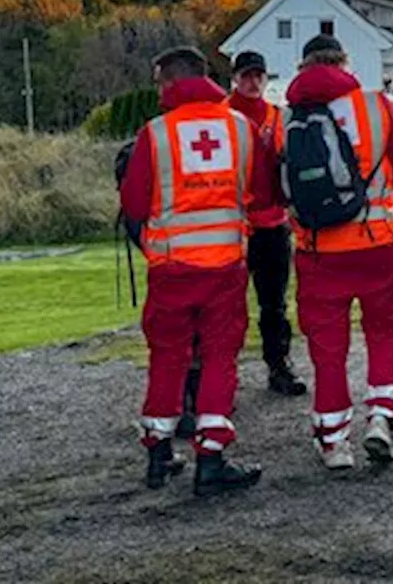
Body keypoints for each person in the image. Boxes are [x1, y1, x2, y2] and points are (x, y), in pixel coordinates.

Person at [119, 45, 270, 497]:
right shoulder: (242, 128)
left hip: (170, 267)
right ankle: (212, 456)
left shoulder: (156, 133)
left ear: (169, 81)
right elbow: (262, 194)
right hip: (224, 264)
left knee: (168, 357)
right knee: (220, 359)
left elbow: (133, 203)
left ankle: (158, 452)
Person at [282, 34, 393, 470]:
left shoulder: (289, 117)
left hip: (319, 249)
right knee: (385, 332)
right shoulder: (377, 106)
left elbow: (272, 186)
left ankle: (334, 441)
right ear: (344, 63)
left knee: (328, 350)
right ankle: (381, 415)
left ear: (304, 67)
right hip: (378, 243)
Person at [224, 50, 308, 396]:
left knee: (273, 303)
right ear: (234, 79)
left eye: (259, 76)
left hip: (273, 222)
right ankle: (222, 375)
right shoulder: (222, 117)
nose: (253, 82)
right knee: (227, 308)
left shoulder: (278, 117)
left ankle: (279, 365)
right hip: (234, 226)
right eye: (246, 76)